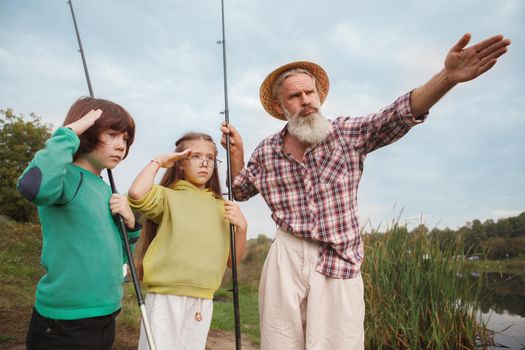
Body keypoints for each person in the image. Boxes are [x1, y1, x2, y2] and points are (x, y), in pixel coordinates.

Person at [221, 33, 511, 349]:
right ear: (279, 106)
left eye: (310, 93)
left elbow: (398, 114)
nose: (305, 100)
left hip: (338, 258)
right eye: (295, 96)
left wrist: (448, 78)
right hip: (285, 257)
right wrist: (237, 154)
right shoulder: (266, 151)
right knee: (280, 342)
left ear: (319, 96)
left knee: (339, 343)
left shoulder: (347, 133)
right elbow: (240, 190)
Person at [17, 96, 141, 350]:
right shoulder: (66, 179)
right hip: (66, 320)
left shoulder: (105, 190)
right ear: (87, 131)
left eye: (125, 139)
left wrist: (130, 224)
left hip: (106, 312)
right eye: (112, 134)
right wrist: (70, 132)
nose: (121, 146)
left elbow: (121, 250)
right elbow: (32, 187)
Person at [127, 132, 248, 350]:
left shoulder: (222, 207)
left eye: (210, 158)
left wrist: (242, 228)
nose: (204, 163)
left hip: (202, 299)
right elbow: (136, 193)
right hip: (165, 296)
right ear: (181, 163)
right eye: (195, 156)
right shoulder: (167, 196)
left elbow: (233, 262)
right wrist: (159, 161)